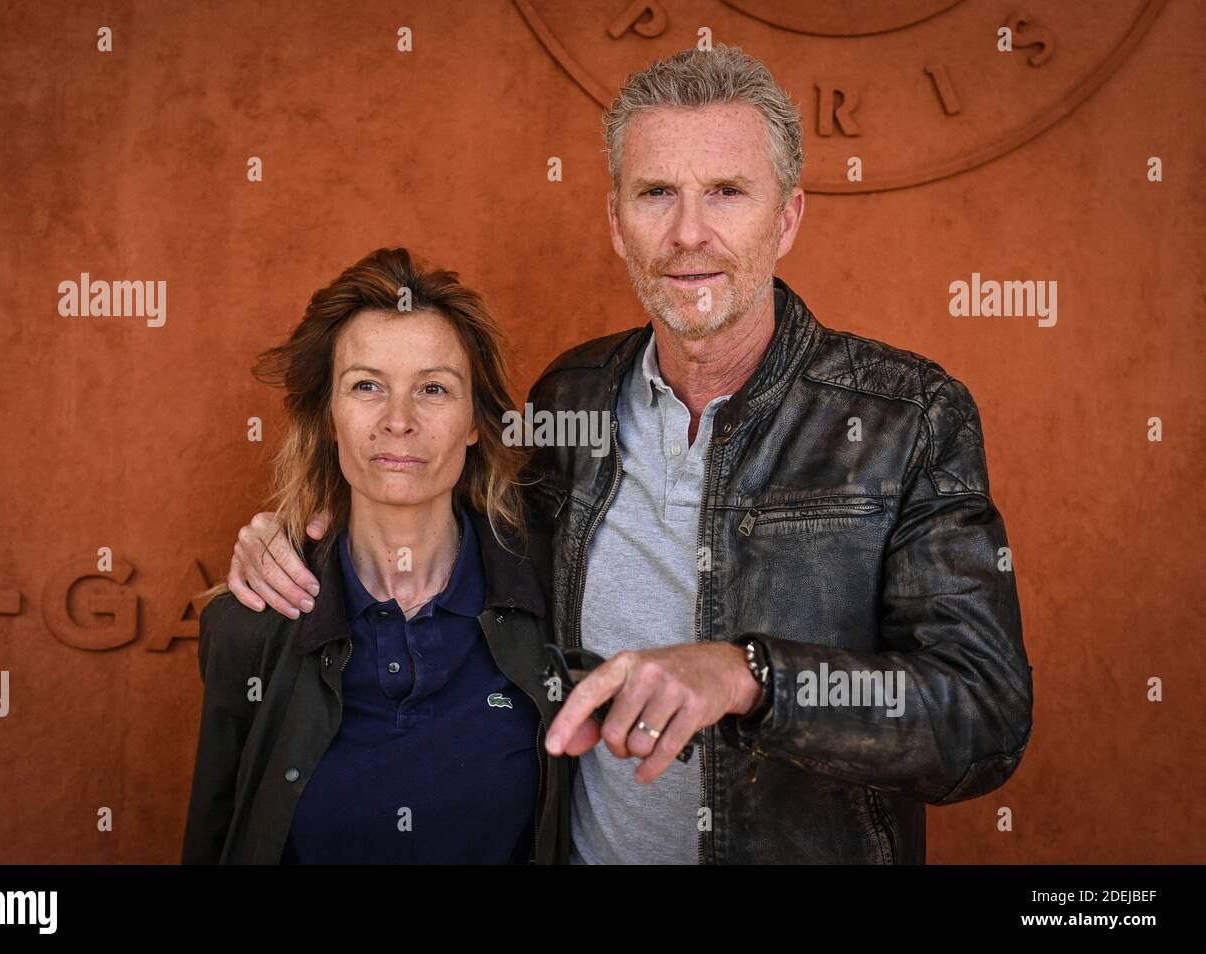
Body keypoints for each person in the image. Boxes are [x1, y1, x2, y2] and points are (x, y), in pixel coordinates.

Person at [223, 44, 1033, 864]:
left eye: (726, 192)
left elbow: (982, 716)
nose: (688, 233)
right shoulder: (571, 399)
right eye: (655, 194)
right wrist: (296, 540)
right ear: (616, 221)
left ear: (786, 217)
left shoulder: (908, 417)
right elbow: (453, 532)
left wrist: (748, 676)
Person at [181, 246, 571, 864]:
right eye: (366, 386)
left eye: (434, 389)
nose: (398, 420)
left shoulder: (556, 597)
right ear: (328, 415)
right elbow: (216, 835)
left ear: (475, 421)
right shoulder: (251, 625)